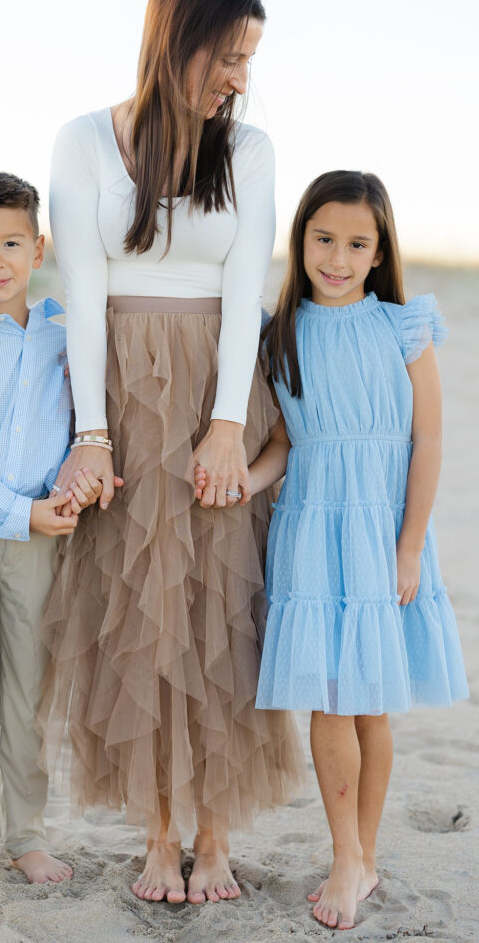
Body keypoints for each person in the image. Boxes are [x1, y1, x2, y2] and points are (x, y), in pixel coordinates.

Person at [38, 0, 305, 905]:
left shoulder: (252, 150)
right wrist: (94, 433)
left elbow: (247, 296)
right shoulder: (84, 139)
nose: (240, 76)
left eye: (248, 59)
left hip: (215, 386)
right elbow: (79, 291)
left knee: (220, 608)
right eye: (229, 55)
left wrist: (229, 425)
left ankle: (218, 836)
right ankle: (157, 833)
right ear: (177, 38)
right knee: (139, 617)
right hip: (117, 388)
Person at [249, 170, 468, 930]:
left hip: (381, 530)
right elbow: (288, 440)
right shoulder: (282, 331)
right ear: (301, 239)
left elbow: (429, 439)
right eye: (323, 239)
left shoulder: (402, 326)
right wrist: (242, 480)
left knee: (371, 704)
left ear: (379, 252)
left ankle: (363, 858)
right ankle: (345, 854)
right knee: (330, 698)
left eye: (356, 244)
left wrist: (409, 546)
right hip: (312, 526)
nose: (336, 258)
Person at [0, 171, 108, 902]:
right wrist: (15, 510)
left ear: (39, 248)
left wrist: (73, 489)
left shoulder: (71, 335)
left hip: (45, 536)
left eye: (11, 243)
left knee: (31, 692)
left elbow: (91, 430)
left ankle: (27, 835)